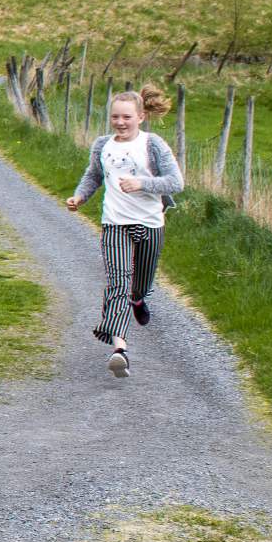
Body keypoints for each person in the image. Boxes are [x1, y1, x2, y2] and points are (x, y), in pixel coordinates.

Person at [66, 85, 183, 378]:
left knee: (139, 283)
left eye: (126, 117)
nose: (120, 122)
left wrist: (142, 183)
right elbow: (93, 175)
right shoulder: (102, 145)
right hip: (115, 224)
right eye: (115, 117)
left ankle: (139, 299)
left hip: (150, 223)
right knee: (117, 284)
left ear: (141, 117)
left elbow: (175, 182)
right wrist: (79, 197)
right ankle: (120, 350)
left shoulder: (152, 144)